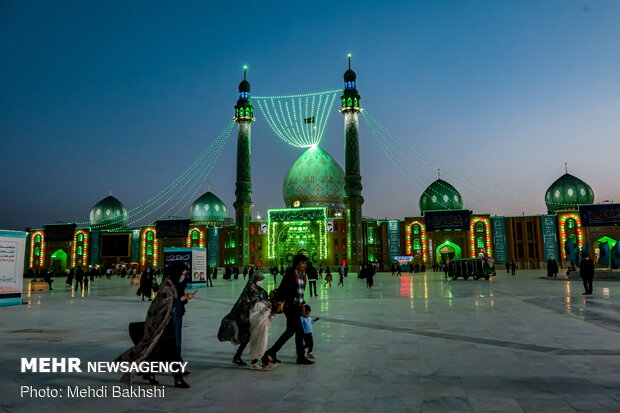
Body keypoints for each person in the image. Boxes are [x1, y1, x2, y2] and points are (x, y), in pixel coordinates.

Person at [116, 261, 195, 388]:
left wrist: (184, 298)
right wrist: (183, 298)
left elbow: (175, 301)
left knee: (160, 350)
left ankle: (149, 372)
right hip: (164, 324)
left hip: (173, 322)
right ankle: (177, 378)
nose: (184, 275)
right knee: (172, 351)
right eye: (183, 273)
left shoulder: (174, 284)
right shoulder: (167, 285)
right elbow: (165, 304)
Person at [262, 254, 314, 366]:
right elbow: (282, 289)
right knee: (299, 331)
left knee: (290, 331)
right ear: (296, 264)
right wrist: (280, 302)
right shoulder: (290, 274)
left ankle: (271, 352)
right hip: (290, 306)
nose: (304, 265)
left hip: (296, 306)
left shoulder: (301, 276)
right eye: (302, 263)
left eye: (305, 263)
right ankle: (300, 357)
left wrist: (303, 304)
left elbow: (299, 293)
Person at [218, 269, 269, 367]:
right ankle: (263, 360)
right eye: (260, 279)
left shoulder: (259, 290)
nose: (261, 281)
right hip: (247, 318)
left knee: (251, 337)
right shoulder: (249, 290)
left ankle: (241, 357)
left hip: (255, 317)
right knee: (255, 336)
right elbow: (245, 304)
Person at [248, 299, 275, 369]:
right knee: (258, 347)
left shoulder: (262, 312)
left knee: (261, 347)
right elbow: (260, 319)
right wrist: (267, 311)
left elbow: (266, 321)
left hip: (262, 334)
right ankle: (256, 363)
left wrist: (270, 315)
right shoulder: (256, 314)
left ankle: (264, 362)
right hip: (257, 334)